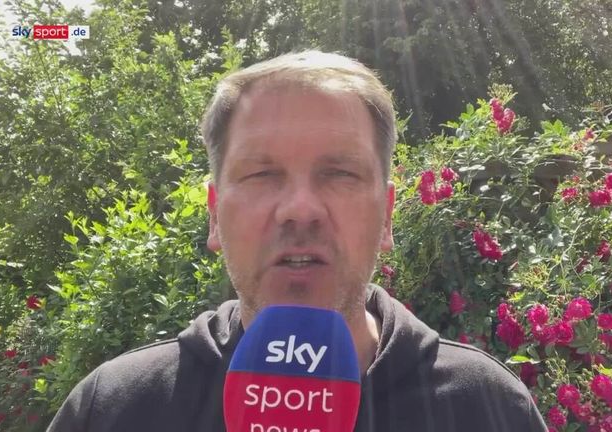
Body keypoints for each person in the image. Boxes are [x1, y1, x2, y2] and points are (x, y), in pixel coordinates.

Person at [48, 50, 547, 431]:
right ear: (215, 216)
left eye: (340, 173)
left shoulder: (490, 410)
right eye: (262, 174)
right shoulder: (112, 409)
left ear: (387, 216)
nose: (300, 209)